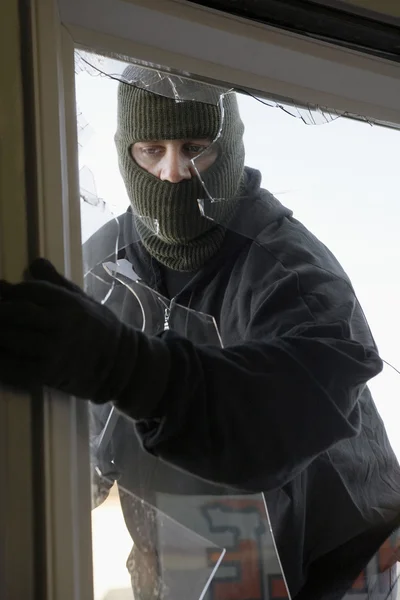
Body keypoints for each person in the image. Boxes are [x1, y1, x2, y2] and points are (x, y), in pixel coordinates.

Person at [0, 65, 400, 600]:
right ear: (127, 153)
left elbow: (288, 412)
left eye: (194, 147)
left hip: (336, 569)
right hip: (185, 559)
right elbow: (84, 445)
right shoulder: (102, 262)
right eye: (151, 149)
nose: (172, 172)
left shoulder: (292, 271)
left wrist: (128, 368)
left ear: (228, 148)